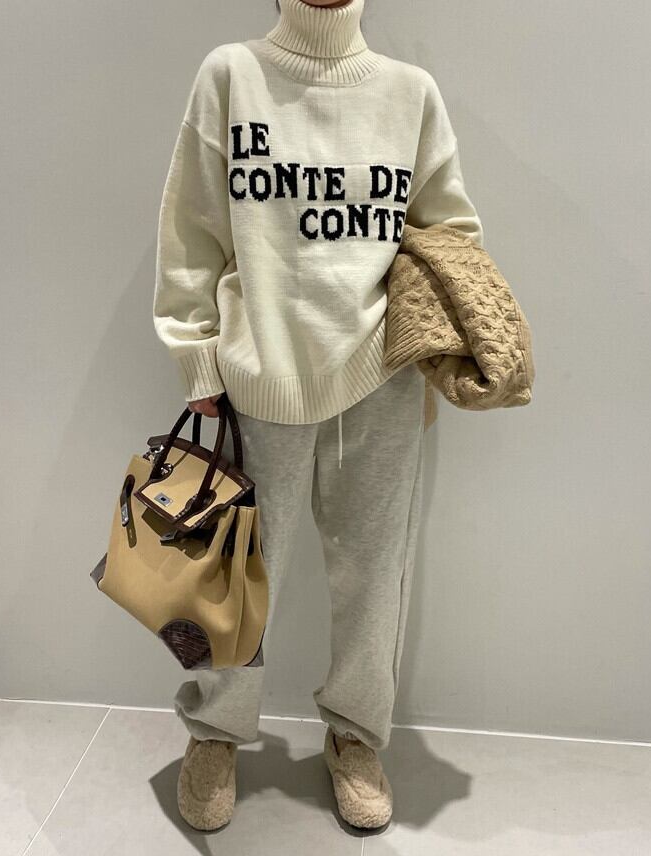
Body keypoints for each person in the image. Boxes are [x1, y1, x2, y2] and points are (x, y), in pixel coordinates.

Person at [152, 0, 483, 832]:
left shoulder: (410, 93)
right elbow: (191, 230)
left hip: (381, 380)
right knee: (233, 573)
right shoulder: (231, 75)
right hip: (258, 371)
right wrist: (197, 359)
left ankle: (356, 737)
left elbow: (451, 232)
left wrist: (432, 346)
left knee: (374, 576)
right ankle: (217, 733)